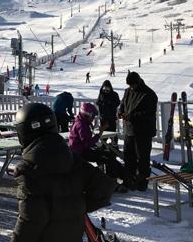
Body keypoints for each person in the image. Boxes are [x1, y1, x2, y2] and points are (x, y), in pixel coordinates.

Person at [11, 103, 116, 242]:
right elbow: (104, 186)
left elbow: (31, 221)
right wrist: (77, 208)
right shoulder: (72, 158)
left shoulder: (28, 169)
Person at [69, 103, 129, 193]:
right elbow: (87, 143)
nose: (93, 119)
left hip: (82, 150)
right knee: (106, 158)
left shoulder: (81, 121)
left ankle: (119, 177)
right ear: (87, 114)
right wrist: (100, 132)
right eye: (92, 116)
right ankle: (112, 184)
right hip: (79, 153)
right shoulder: (81, 125)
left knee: (107, 154)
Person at [118, 72, 158, 191]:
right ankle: (129, 179)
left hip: (143, 131)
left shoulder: (149, 94)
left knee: (142, 158)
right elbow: (122, 104)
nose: (131, 87)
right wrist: (120, 111)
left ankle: (142, 182)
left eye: (133, 85)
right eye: (130, 85)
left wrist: (131, 116)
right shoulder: (127, 91)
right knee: (128, 156)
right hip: (129, 130)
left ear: (138, 82)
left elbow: (149, 113)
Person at [96, 80, 121, 147]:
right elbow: (97, 102)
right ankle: (103, 149)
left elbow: (118, 103)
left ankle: (115, 148)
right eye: (104, 88)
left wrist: (110, 103)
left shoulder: (114, 94)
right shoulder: (101, 94)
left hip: (111, 119)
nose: (106, 90)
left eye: (107, 88)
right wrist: (102, 102)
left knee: (113, 135)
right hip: (103, 119)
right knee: (103, 136)